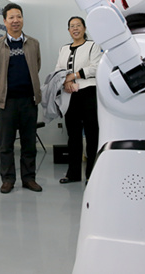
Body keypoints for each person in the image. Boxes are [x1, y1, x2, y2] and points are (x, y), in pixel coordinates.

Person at [0, 3, 42, 194]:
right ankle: (8, 179)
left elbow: (36, 66)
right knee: (6, 144)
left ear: (23, 19)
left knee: (29, 143)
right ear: (4, 21)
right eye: (11, 17)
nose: (15, 20)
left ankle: (29, 178)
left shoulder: (33, 43)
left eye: (19, 16)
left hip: (29, 101)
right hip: (6, 102)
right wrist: (1, 89)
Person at [54, 16, 102, 184]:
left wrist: (74, 76)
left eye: (78, 25)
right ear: (68, 30)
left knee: (92, 134)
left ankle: (92, 174)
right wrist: (66, 82)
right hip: (69, 95)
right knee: (73, 136)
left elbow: (95, 68)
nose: (75, 28)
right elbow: (58, 69)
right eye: (72, 26)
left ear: (84, 28)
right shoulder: (63, 49)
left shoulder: (93, 45)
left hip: (88, 92)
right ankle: (73, 174)